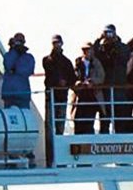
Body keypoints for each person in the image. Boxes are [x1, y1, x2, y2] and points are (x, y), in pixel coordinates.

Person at [43, 34, 75, 164]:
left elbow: (72, 78)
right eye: (55, 43)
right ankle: (50, 159)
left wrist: (66, 82)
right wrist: (59, 81)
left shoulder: (67, 62)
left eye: (58, 43)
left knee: (60, 128)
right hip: (51, 97)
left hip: (61, 97)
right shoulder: (47, 60)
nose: (57, 46)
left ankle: (59, 158)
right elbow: (50, 74)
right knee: (50, 129)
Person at [92, 24, 127, 133]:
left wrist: (116, 42)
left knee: (120, 121)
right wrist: (99, 39)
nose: (109, 36)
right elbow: (92, 53)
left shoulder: (122, 47)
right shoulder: (101, 49)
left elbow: (125, 55)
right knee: (104, 120)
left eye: (111, 33)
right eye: (106, 33)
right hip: (105, 90)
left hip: (119, 88)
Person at [73, 42, 106, 135]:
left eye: (88, 50)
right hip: (80, 96)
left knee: (89, 121)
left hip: (92, 95)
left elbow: (101, 76)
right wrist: (78, 83)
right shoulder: (78, 63)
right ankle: (78, 141)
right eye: (84, 50)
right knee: (78, 120)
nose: (86, 52)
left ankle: (88, 142)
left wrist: (92, 81)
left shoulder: (96, 63)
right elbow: (73, 76)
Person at [1, 33, 35, 109]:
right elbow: (8, 65)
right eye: (17, 41)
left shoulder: (29, 57)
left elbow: (29, 70)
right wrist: (14, 51)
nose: (19, 43)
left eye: (21, 41)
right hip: (9, 93)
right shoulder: (8, 55)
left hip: (22, 93)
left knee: (24, 116)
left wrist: (16, 69)